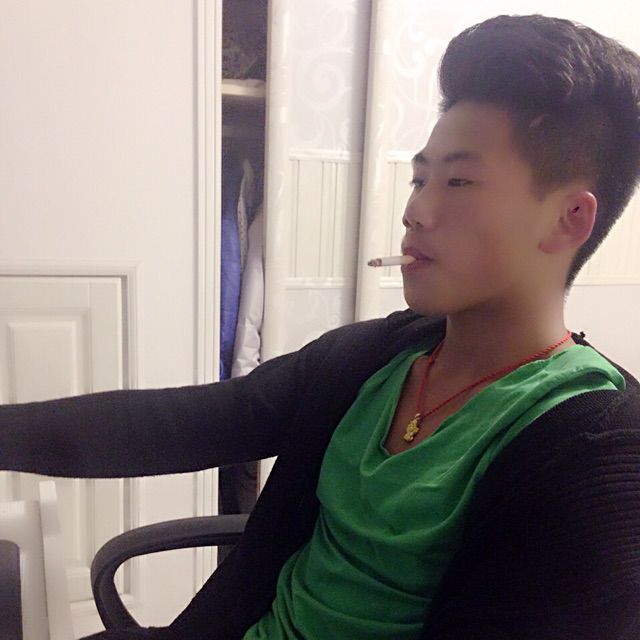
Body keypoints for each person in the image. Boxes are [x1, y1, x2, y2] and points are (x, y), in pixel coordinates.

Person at [2, 13, 640, 640]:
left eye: (458, 180)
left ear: (568, 219)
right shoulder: (373, 359)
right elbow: (185, 422)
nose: (416, 210)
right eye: (420, 178)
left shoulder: (596, 458)